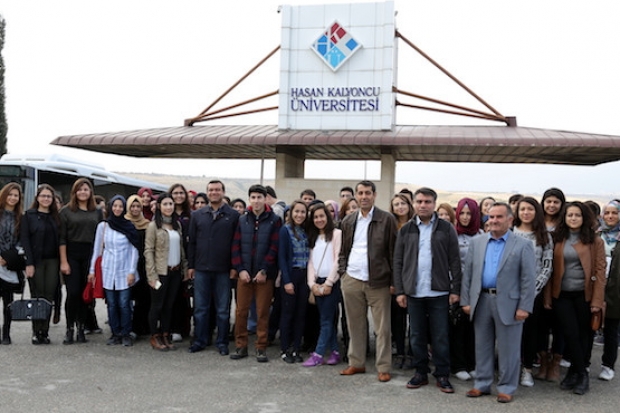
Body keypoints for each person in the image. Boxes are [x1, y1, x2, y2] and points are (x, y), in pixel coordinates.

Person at [461, 202, 536, 403]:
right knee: (482, 345)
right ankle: (482, 383)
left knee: (509, 349)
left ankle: (506, 387)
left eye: (499, 217)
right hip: (481, 300)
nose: (493, 220)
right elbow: (468, 274)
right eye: (491, 217)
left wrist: (524, 306)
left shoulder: (523, 245)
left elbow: (528, 279)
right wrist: (466, 300)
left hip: (510, 304)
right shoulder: (477, 242)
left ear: (510, 220)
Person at [393, 187, 462, 393]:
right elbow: (398, 262)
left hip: (439, 292)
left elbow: (455, 260)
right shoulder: (406, 229)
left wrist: (455, 290)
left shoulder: (446, 228)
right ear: (414, 203)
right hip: (414, 292)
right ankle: (420, 372)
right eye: (420, 201)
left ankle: (442, 374)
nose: (423, 205)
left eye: (427, 202)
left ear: (434, 204)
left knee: (440, 335)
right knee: (416, 335)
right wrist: (400, 291)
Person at [544, 201, 606, 395]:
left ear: (584, 217)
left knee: (584, 335)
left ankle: (574, 373)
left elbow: (600, 272)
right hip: (562, 294)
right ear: (564, 217)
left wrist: (597, 301)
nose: (573, 218)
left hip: (585, 295)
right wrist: (547, 298)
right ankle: (582, 373)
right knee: (570, 333)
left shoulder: (595, 241)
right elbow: (549, 271)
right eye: (570, 214)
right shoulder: (556, 238)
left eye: (577, 215)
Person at [338, 180, 397, 383]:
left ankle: (383, 367)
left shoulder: (386, 219)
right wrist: (343, 272)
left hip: (379, 281)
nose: (364, 196)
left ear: (374, 195)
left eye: (368, 193)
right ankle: (356, 363)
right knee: (355, 325)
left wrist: (393, 281)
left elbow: (393, 252)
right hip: (352, 278)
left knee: (382, 328)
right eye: (361, 193)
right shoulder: (348, 220)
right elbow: (343, 250)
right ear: (356, 195)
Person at [187, 180, 239, 355]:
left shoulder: (233, 215)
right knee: (200, 308)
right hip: (201, 268)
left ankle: (222, 342)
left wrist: (234, 267)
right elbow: (192, 243)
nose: (214, 192)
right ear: (207, 192)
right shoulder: (197, 215)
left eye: (217, 189)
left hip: (224, 269)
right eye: (211, 190)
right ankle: (200, 340)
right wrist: (191, 265)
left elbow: (236, 244)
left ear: (223, 192)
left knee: (223, 309)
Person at [230, 184, 280, 362]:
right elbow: (235, 246)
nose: (256, 201)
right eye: (253, 197)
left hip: (264, 276)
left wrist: (264, 270)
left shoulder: (274, 220)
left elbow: (274, 248)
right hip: (244, 274)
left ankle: (261, 347)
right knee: (241, 312)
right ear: (249, 199)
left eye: (260, 197)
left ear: (265, 199)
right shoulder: (242, 220)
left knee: (262, 312)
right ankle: (241, 346)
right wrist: (240, 269)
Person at [512, 197, 553, 386]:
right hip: (510, 291)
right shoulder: (510, 232)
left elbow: (547, 265)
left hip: (533, 293)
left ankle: (527, 369)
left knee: (530, 332)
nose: (526, 212)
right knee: (510, 332)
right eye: (522, 209)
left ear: (536, 212)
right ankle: (510, 368)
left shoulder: (544, 236)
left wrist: (533, 289)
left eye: (530, 209)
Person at [89, 195, 140, 346]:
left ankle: (126, 333)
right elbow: (97, 249)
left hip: (125, 270)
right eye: (115, 206)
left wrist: (132, 271)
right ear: (110, 207)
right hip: (108, 270)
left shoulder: (129, 226)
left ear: (124, 208)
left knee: (124, 303)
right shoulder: (103, 226)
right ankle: (115, 333)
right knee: (111, 304)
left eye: (120, 206)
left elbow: (134, 250)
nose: (117, 209)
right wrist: (92, 270)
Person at [59, 178, 102, 345]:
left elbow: (101, 237)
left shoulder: (97, 211)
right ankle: (69, 328)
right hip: (71, 254)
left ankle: (82, 328)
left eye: (86, 189)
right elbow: (62, 238)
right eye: (80, 189)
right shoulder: (66, 211)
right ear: (74, 192)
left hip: (90, 254)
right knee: (73, 292)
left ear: (90, 192)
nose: (83, 192)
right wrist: (64, 261)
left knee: (86, 294)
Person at [144, 193, 188, 351]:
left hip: (175, 272)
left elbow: (181, 249)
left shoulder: (177, 225)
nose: (169, 207)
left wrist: (184, 269)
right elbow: (148, 250)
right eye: (165, 204)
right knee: (157, 305)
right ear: (159, 206)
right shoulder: (153, 226)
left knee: (169, 306)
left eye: (171, 204)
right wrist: (151, 275)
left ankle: (165, 334)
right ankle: (154, 336)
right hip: (160, 273)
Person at [303, 203, 343, 366]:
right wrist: (311, 284)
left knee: (325, 320)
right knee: (326, 319)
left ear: (328, 217)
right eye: (316, 217)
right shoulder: (312, 236)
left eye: (322, 216)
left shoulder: (337, 234)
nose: (319, 220)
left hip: (332, 283)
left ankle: (318, 354)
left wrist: (329, 283)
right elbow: (311, 262)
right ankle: (335, 352)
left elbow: (338, 260)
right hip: (317, 282)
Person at [20, 184, 60, 344]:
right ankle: (36, 331)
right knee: (37, 295)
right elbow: (25, 240)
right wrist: (29, 263)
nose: (46, 199)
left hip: (53, 261)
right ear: (37, 198)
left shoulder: (56, 217)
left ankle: (45, 331)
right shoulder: (28, 216)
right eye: (43, 196)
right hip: (35, 262)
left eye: (49, 196)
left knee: (48, 296)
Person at [452, 197, 482, 381]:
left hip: (477, 288)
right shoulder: (452, 234)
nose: (465, 217)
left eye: (469, 213)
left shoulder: (482, 235)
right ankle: (458, 364)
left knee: (475, 328)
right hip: (457, 286)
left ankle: (473, 363)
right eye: (461, 213)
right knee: (458, 326)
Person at [278, 200, 309, 363]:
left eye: (303, 212)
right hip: (291, 275)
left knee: (300, 314)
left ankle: (296, 348)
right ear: (291, 213)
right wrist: (287, 280)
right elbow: (282, 257)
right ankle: (285, 349)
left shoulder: (306, 230)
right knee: (287, 313)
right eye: (297, 211)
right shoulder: (285, 230)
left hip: (304, 276)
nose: (299, 215)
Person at [389, 193, 414, 369]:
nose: (400, 207)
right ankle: (399, 352)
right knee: (397, 319)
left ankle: (412, 352)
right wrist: (393, 282)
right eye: (396, 204)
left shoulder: (416, 226)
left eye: (403, 203)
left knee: (415, 319)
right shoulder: (390, 227)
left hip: (413, 278)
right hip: (396, 278)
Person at [0, 182, 24, 344]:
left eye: (16, 195)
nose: (13, 198)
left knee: (8, 301)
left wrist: (8, 257)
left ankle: (6, 333)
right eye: (10, 194)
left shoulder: (20, 218)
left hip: (10, 263)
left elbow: (22, 241)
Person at [168, 183, 192, 342]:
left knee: (185, 297)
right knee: (171, 297)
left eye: (181, 193)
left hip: (186, 260)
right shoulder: (167, 215)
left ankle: (184, 328)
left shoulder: (191, 215)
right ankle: (172, 328)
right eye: (175, 193)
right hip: (170, 260)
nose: (178, 196)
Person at [125, 194, 151, 337]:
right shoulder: (123, 223)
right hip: (126, 264)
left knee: (143, 297)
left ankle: (141, 327)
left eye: (138, 206)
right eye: (132, 206)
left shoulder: (147, 224)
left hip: (143, 264)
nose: (135, 209)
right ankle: (126, 327)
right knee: (126, 298)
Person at [600, 233, 620, 381]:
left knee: (611, 329)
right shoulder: (597, 234)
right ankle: (583, 363)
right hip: (595, 285)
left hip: (615, 291)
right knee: (588, 326)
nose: (610, 220)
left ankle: (608, 365)